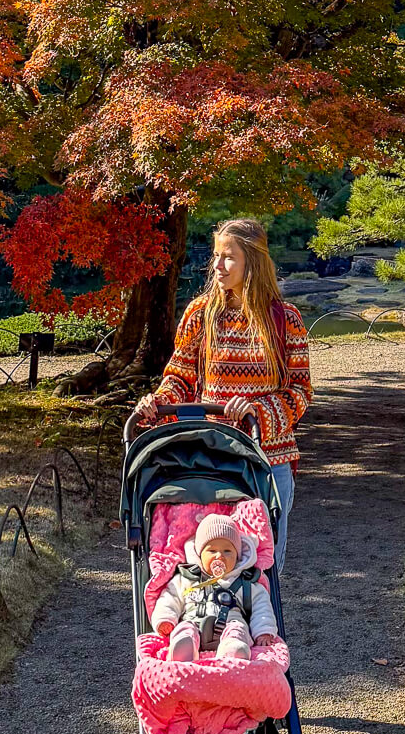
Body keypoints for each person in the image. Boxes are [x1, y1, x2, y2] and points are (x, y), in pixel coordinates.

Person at [133, 217, 311, 571]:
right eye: (216, 256)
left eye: (228, 257)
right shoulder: (201, 314)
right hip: (211, 460)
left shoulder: (285, 319)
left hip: (268, 462)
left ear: (252, 261)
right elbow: (180, 377)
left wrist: (257, 413)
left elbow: (300, 392)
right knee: (212, 564)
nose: (217, 265)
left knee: (262, 572)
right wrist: (158, 402)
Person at [151, 514, 279, 662]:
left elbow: (261, 607)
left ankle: (233, 652)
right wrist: (165, 619)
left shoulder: (245, 583)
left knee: (238, 629)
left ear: (237, 556)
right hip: (194, 622)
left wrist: (263, 631)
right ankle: (183, 651)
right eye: (212, 551)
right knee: (184, 628)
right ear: (199, 554)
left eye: (227, 551)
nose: (219, 556)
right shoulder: (187, 579)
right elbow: (169, 598)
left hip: (230, 624)